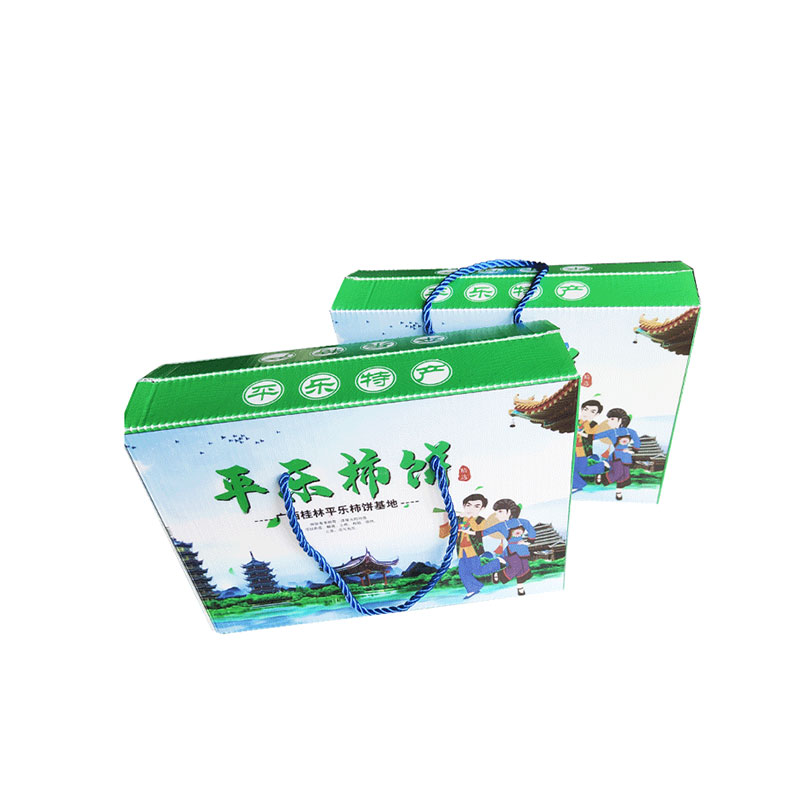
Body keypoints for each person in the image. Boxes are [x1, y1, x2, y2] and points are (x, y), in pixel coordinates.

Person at [439, 494, 506, 599]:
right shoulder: (457, 519)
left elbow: (478, 530)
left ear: (482, 508)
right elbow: (443, 534)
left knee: (477, 570)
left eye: (476, 506)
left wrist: (468, 517)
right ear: (464, 506)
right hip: (461, 550)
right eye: (468, 505)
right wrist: (445, 520)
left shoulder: (481, 520)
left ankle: (498, 563)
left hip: (473, 550)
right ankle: (473, 588)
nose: (471, 509)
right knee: (463, 572)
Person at [573, 400, 611, 492]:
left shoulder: (594, 425)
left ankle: (602, 466)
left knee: (583, 470)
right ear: (581, 409)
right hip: (573, 449)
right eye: (586, 409)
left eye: (592, 411)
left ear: (597, 414)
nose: (587, 413)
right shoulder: (576, 421)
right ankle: (577, 485)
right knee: (572, 468)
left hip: (583, 451)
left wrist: (585, 424)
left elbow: (591, 435)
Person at [601, 432, 636, 500]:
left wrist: (628, 452)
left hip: (625, 461)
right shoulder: (616, 444)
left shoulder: (626, 446)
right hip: (616, 459)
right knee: (618, 473)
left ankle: (618, 492)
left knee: (624, 476)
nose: (625, 440)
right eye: (622, 438)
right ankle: (602, 477)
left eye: (627, 439)